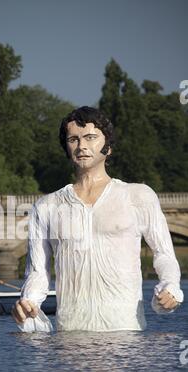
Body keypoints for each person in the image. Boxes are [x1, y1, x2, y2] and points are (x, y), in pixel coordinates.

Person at [12, 106, 184, 332]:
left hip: (125, 337)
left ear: (108, 146)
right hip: (70, 340)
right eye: (73, 139)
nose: (81, 146)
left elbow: (164, 255)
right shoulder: (46, 207)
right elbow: (37, 272)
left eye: (90, 137)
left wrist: (171, 287)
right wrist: (29, 301)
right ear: (66, 147)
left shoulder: (138, 196)